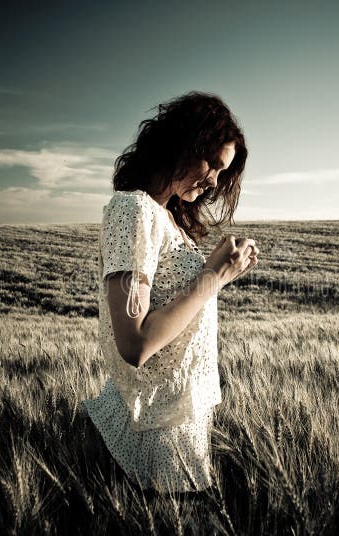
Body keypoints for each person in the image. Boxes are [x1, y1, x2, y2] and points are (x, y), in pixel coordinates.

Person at [81, 91, 259, 494]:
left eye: (222, 170)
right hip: (147, 428)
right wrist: (213, 277)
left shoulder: (169, 219)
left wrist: (224, 274)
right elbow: (135, 342)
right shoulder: (133, 210)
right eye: (211, 162)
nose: (214, 180)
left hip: (179, 422)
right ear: (180, 141)